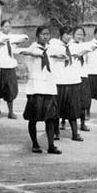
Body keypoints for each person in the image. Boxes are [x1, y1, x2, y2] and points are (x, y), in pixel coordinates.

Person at [18, 26, 66, 154]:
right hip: (36, 88)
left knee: (50, 118)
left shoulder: (52, 48)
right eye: (43, 34)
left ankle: (51, 145)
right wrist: (33, 53)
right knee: (33, 118)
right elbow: (19, 52)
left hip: (49, 87)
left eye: (47, 34)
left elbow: (64, 56)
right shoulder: (33, 48)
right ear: (38, 36)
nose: (45, 36)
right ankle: (35, 143)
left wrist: (58, 55)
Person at [50, 26, 88, 142]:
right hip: (59, 81)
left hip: (72, 81)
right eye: (66, 34)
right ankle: (56, 132)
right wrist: (57, 55)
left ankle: (75, 133)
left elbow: (86, 48)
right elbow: (50, 53)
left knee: (73, 108)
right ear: (61, 35)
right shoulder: (54, 45)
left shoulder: (74, 46)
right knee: (57, 109)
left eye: (70, 34)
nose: (68, 37)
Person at [0, 19, 29, 119]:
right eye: (5, 26)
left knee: (11, 89)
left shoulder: (11, 38)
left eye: (9, 26)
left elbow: (25, 37)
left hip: (10, 67)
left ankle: (10, 111)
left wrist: (16, 41)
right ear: (1, 27)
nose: (7, 28)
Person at [73, 26, 97, 132]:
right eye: (77, 34)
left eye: (81, 35)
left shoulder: (85, 45)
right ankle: (64, 121)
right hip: (73, 76)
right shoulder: (70, 46)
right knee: (71, 101)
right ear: (73, 35)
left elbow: (93, 45)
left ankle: (82, 123)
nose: (79, 36)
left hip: (83, 75)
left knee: (84, 101)